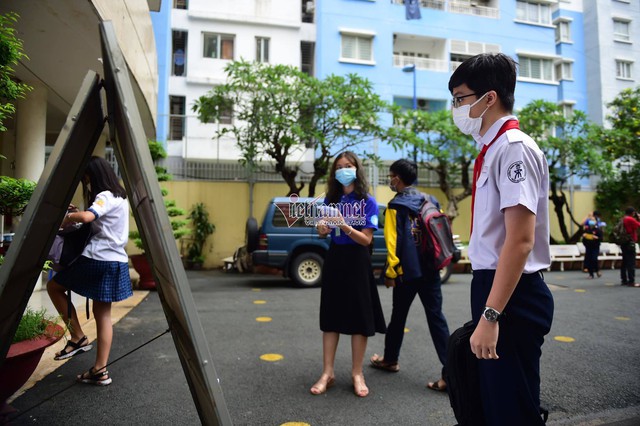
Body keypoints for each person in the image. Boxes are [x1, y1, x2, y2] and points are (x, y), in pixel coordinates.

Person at [448, 53, 554, 425]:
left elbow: (520, 241)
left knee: (511, 410)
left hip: (512, 295)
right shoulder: (493, 149)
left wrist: (491, 316)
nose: (456, 107)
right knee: (493, 405)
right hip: (496, 287)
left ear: (488, 98)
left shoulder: (513, 148)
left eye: (460, 98)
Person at [47, 156, 132, 386]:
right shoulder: (121, 197)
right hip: (117, 261)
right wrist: (80, 213)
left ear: (93, 176)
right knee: (103, 315)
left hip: (98, 259)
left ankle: (77, 336)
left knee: (54, 287)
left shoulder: (104, 196)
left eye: (86, 179)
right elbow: (97, 220)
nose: (86, 184)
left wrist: (67, 216)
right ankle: (100, 370)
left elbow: (87, 217)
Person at [369, 159, 450, 392]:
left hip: (407, 273)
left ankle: (390, 359)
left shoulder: (396, 205)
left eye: (391, 175)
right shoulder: (430, 199)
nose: (389, 180)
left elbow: (393, 243)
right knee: (437, 319)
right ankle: (452, 374)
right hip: (431, 269)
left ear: (398, 178)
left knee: (398, 317)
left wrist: (390, 272)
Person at [310, 151, 386, 398]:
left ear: (357, 169)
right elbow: (324, 229)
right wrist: (322, 228)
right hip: (335, 260)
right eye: (339, 166)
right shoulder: (330, 200)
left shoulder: (368, 201)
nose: (343, 170)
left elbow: (365, 239)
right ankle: (327, 373)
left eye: (348, 165)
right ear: (334, 173)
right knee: (330, 315)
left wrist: (345, 226)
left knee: (359, 318)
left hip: (357, 262)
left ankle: (357, 373)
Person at [620, 207, 640, 287]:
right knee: (631, 262)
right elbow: (638, 225)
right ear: (632, 213)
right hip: (630, 242)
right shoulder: (630, 219)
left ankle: (624, 279)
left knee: (624, 261)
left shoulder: (623, 219)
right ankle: (631, 281)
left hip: (624, 242)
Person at [581, 211, 604, 279]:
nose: (592, 222)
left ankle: (597, 270)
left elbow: (601, 238)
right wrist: (584, 236)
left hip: (595, 246)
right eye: (591, 220)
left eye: (593, 220)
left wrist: (596, 238)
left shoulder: (598, 230)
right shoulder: (587, 229)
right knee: (589, 260)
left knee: (594, 259)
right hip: (588, 246)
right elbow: (583, 239)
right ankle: (591, 274)